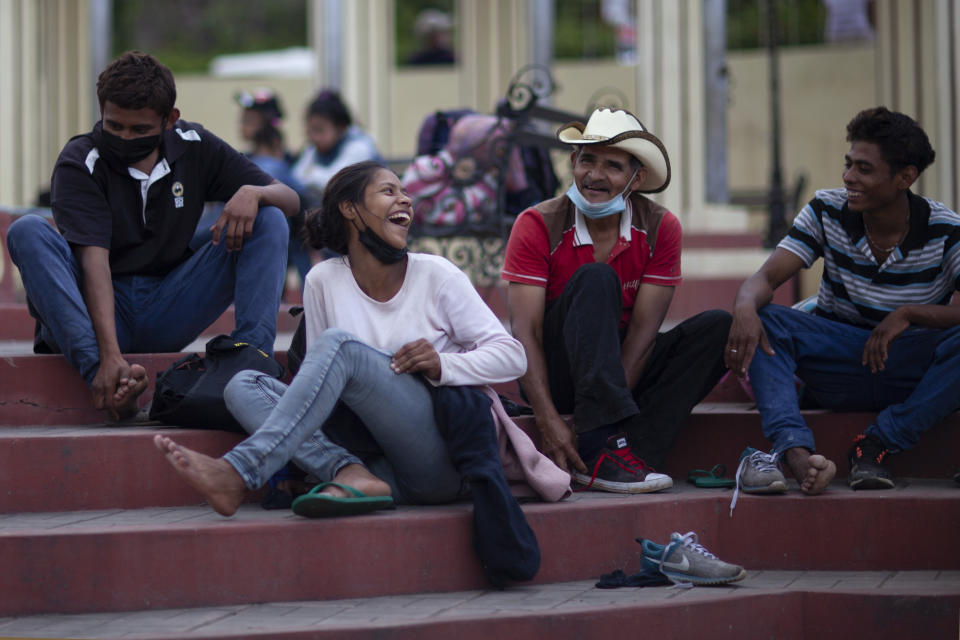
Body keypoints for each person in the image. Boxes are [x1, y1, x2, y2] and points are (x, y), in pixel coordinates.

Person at [154, 160, 568, 522]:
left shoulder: (436, 275)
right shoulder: (323, 280)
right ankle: (349, 475)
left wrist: (444, 364)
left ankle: (240, 472)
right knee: (243, 385)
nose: (405, 200)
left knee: (339, 346)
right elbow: (320, 395)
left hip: (439, 458)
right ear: (350, 210)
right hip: (374, 461)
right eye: (389, 191)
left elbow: (512, 357)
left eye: (405, 192)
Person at [5, 51, 300, 420]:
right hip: (95, 315)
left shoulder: (195, 145)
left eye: (139, 130)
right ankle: (108, 379)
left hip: (167, 305)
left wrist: (255, 193)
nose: (125, 137)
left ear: (168, 120)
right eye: (115, 127)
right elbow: (93, 261)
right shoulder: (80, 160)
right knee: (27, 230)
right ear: (102, 112)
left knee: (268, 216)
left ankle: (250, 366)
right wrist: (109, 357)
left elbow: (290, 198)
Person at [726, 106, 957, 495]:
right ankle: (795, 452)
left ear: (906, 177)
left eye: (864, 169)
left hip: (912, 371)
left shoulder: (946, 230)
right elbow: (766, 278)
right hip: (839, 362)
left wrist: (908, 314)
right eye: (848, 165)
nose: (849, 177)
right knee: (769, 319)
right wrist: (744, 307)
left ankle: (878, 443)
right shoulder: (826, 209)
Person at [502, 107, 732, 493]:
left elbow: (642, 338)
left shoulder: (660, 227)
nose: (594, 175)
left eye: (612, 165)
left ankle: (627, 452)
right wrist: (547, 419)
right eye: (587, 160)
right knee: (596, 278)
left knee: (718, 327)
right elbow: (526, 333)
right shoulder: (537, 223)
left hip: (622, 373)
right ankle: (600, 449)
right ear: (573, 162)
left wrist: (604, 411)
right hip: (559, 371)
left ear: (636, 178)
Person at [234, 89, 312, 284]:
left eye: (248, 120)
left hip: (292, 231)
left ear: (267, 123)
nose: (241, 126)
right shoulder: (247, 159)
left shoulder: (279, 164)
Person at [291, 90, 382, 208]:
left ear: (340, 128)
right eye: (310, 131)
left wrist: (310, 172)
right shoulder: (314, 148)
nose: (314, 137)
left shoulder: (360, 146)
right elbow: (295, 177)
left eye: (319, 130)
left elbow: (334, 183)